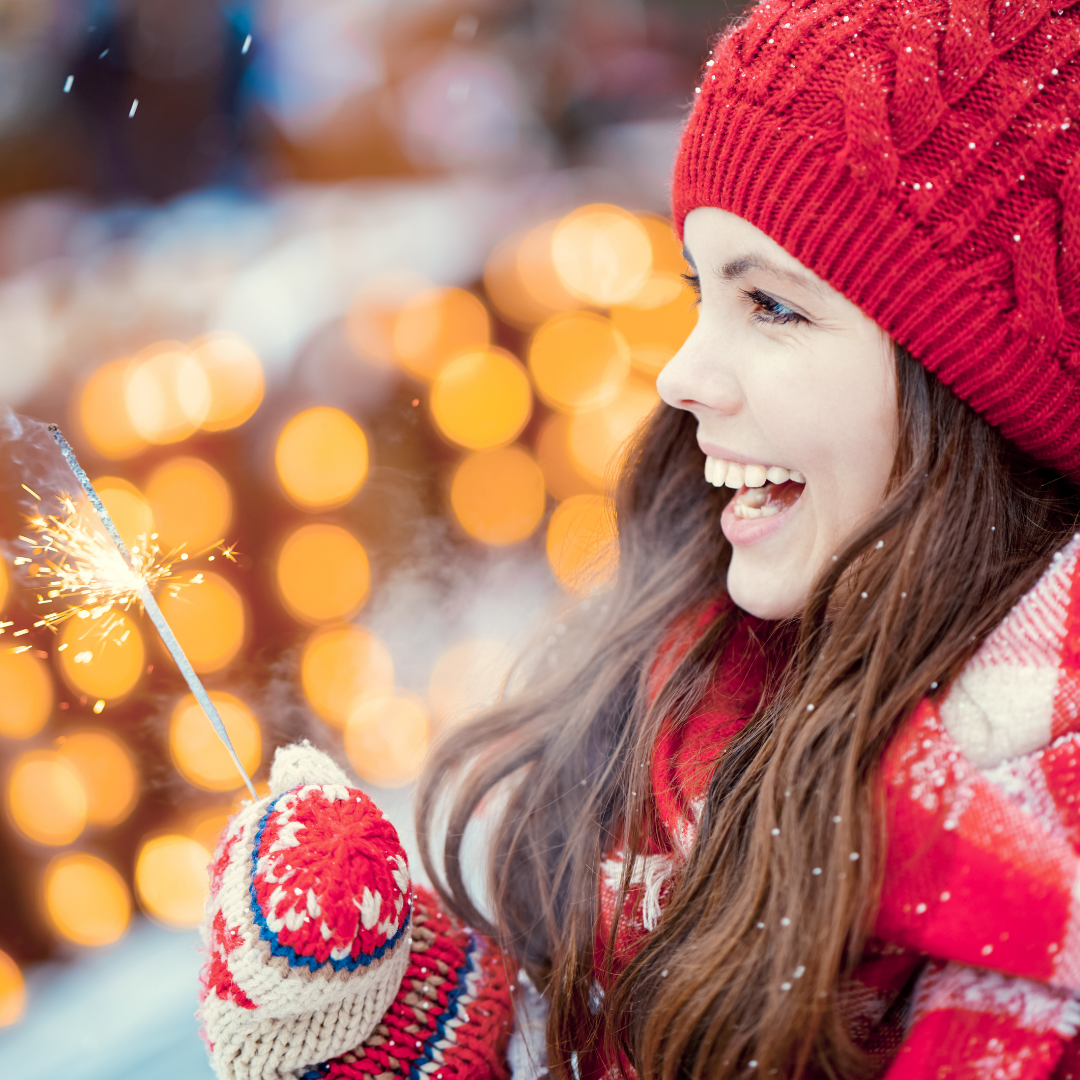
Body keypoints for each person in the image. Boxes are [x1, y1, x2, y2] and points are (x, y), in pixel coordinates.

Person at [200, 1, 1080, 1077]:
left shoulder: (1043, 918)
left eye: (775, 308)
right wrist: (429, 1032)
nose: (681, 375)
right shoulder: (704, 723)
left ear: (985, 381)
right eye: (699, 291)